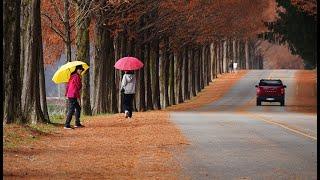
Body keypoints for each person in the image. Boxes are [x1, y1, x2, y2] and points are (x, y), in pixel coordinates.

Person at [64, 65, 85, 129]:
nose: (81, 71)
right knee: (71, 109)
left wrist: (66, 93)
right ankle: (67, 125)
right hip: (73, 94)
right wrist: (81, 83)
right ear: (77, 70)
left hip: (71, 94)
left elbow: (67, 85)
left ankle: (77, 123)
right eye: (80, 69)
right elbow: (78, 86)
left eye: (81, 70)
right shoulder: (76, 76)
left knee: (78, 108)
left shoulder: (72, 76)